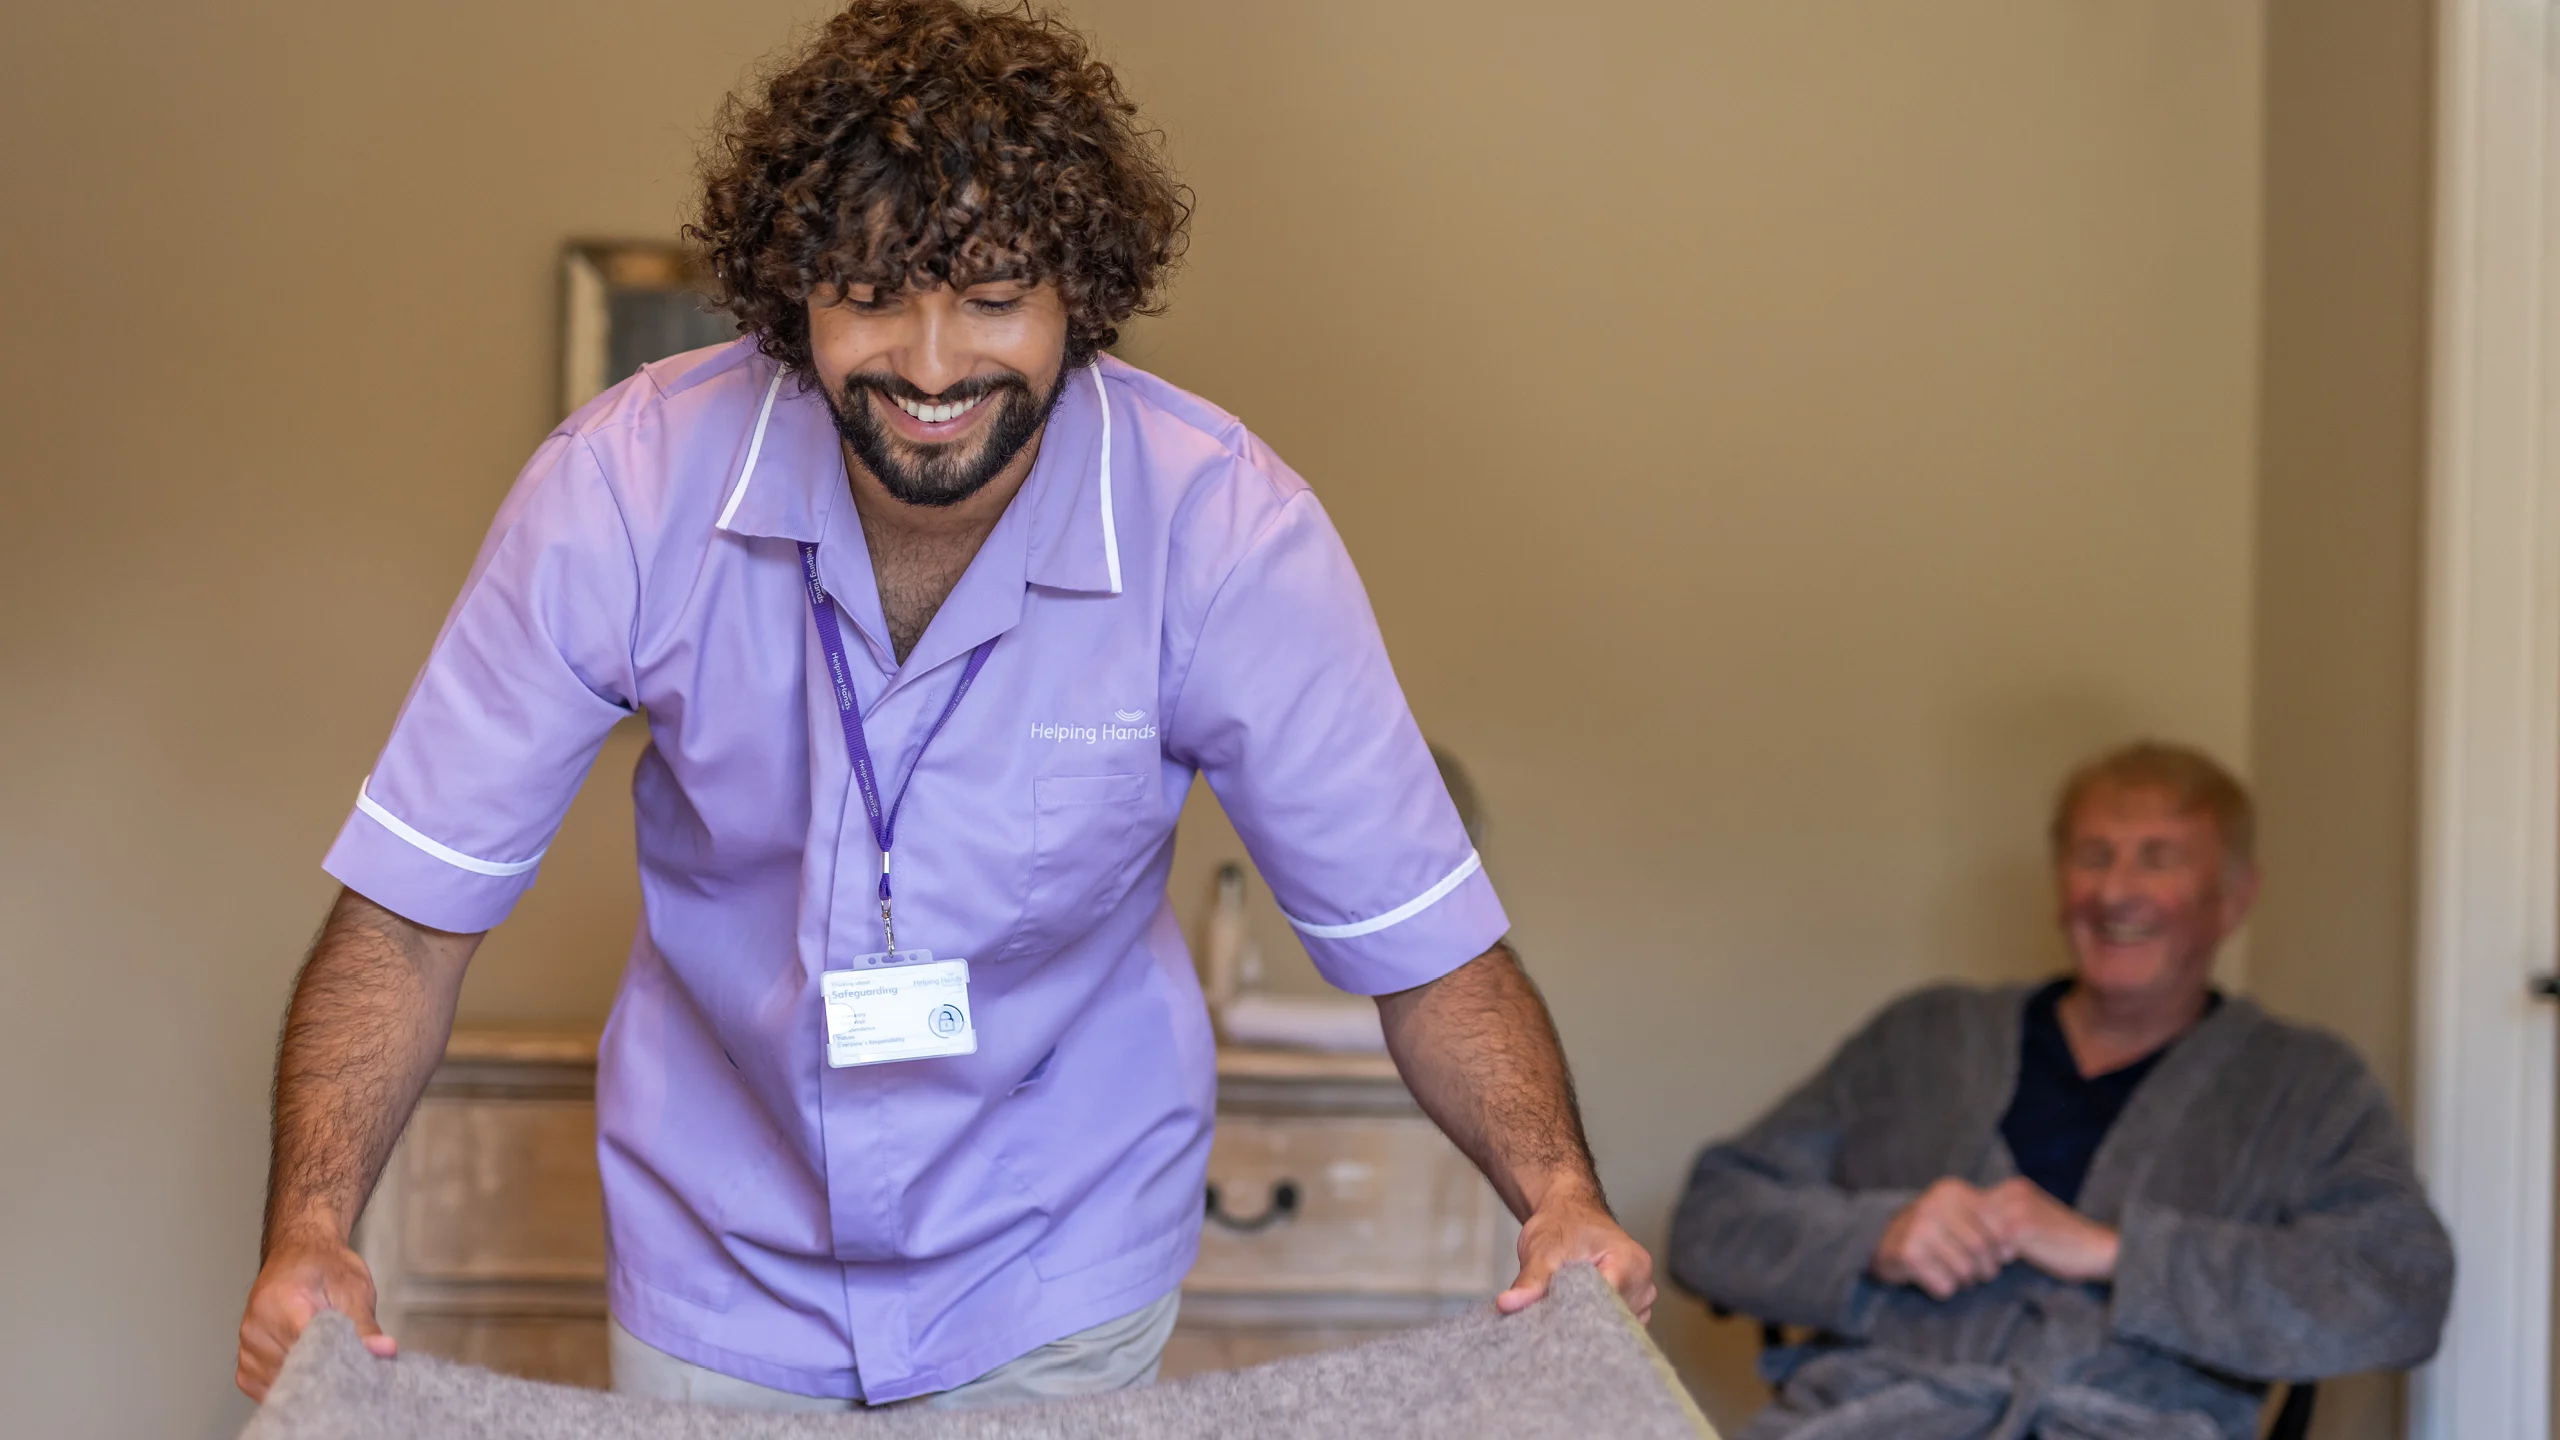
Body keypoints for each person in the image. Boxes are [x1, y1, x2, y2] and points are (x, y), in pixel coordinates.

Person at [233, 0, 1651, 1410]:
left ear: (1079, 298)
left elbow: (1424, 948)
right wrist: (310, 1232)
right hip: (715, 1263)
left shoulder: (1223, 532)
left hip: (1060, 1263)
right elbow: (410, 917)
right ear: (789, 288)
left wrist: (1559, 1196)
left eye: (990, 298)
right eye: (869, 294)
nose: (926, 365)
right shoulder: (623, 488)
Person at [1668, 742, 2452, 1440]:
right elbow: (1711, 1219)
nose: (2116, 892)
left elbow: (2401, 1285)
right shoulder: (1924, 1037)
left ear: (2233, 897)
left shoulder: (2303, 1084)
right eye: (2093, 855)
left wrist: (2120, 1253)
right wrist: (1877, 1235)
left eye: (2158, 858)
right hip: (1876, 1416)